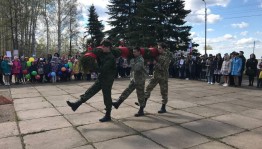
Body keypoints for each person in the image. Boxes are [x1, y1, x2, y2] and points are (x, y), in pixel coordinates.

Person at [66, 39, 116, 122]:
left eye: (103, 46)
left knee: (107, 96)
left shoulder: (110, 58)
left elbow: (102, 69)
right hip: (102, 77)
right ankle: (76, 104)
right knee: (90, 91)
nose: (102, 48)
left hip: (107, 79)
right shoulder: (103, 54)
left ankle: (108, 115)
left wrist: (93, 66)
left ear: (108, 47)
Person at [136, 42, 172, 113]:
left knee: (164, 92)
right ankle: (142, 107)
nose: (158, 50)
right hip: (155, 76)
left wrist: (156, 63)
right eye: (158, 48)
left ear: (164, 49)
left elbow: (164, 68)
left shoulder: (167, 57)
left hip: (163, 77)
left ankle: (163, 108)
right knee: (147, 89)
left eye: (160, 48)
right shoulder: (158, 55)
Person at [112, 47, 147, 116]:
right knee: (127, 91)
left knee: (140, 94)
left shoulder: (140, 59)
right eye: (133, 52)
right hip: (134, 80)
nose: (134, 53)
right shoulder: (135, 59)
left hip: (140, 80)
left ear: (139, 52)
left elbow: (136, 68)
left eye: (135, 52)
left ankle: (141, 110)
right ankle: (118, 103)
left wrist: (131, 61)